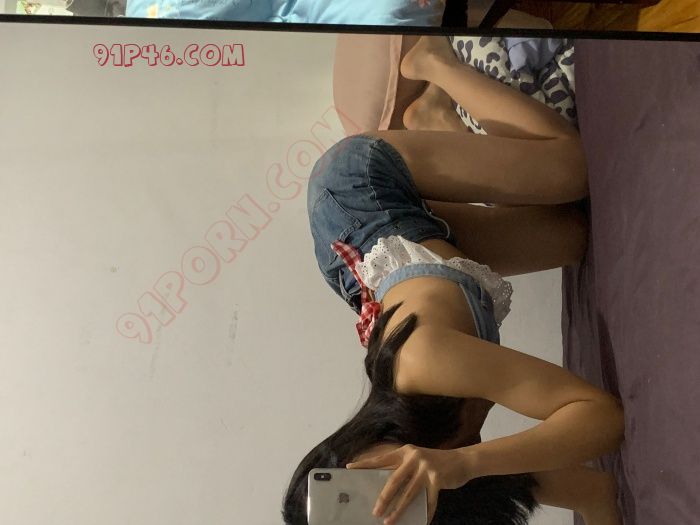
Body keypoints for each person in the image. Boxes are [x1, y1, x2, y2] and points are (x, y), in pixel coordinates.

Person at [283, 36, 624, 525]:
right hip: (405, 263)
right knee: (573, 235)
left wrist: (466, 462)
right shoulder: (441, 483)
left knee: (570, 170)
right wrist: (464, 468)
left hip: (358, 198)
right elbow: (595, 493)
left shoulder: (422, 363)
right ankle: (433, 118)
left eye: (353, 501)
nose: (379, 507)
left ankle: (434, 63)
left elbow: (603, 415)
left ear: (346, 461)